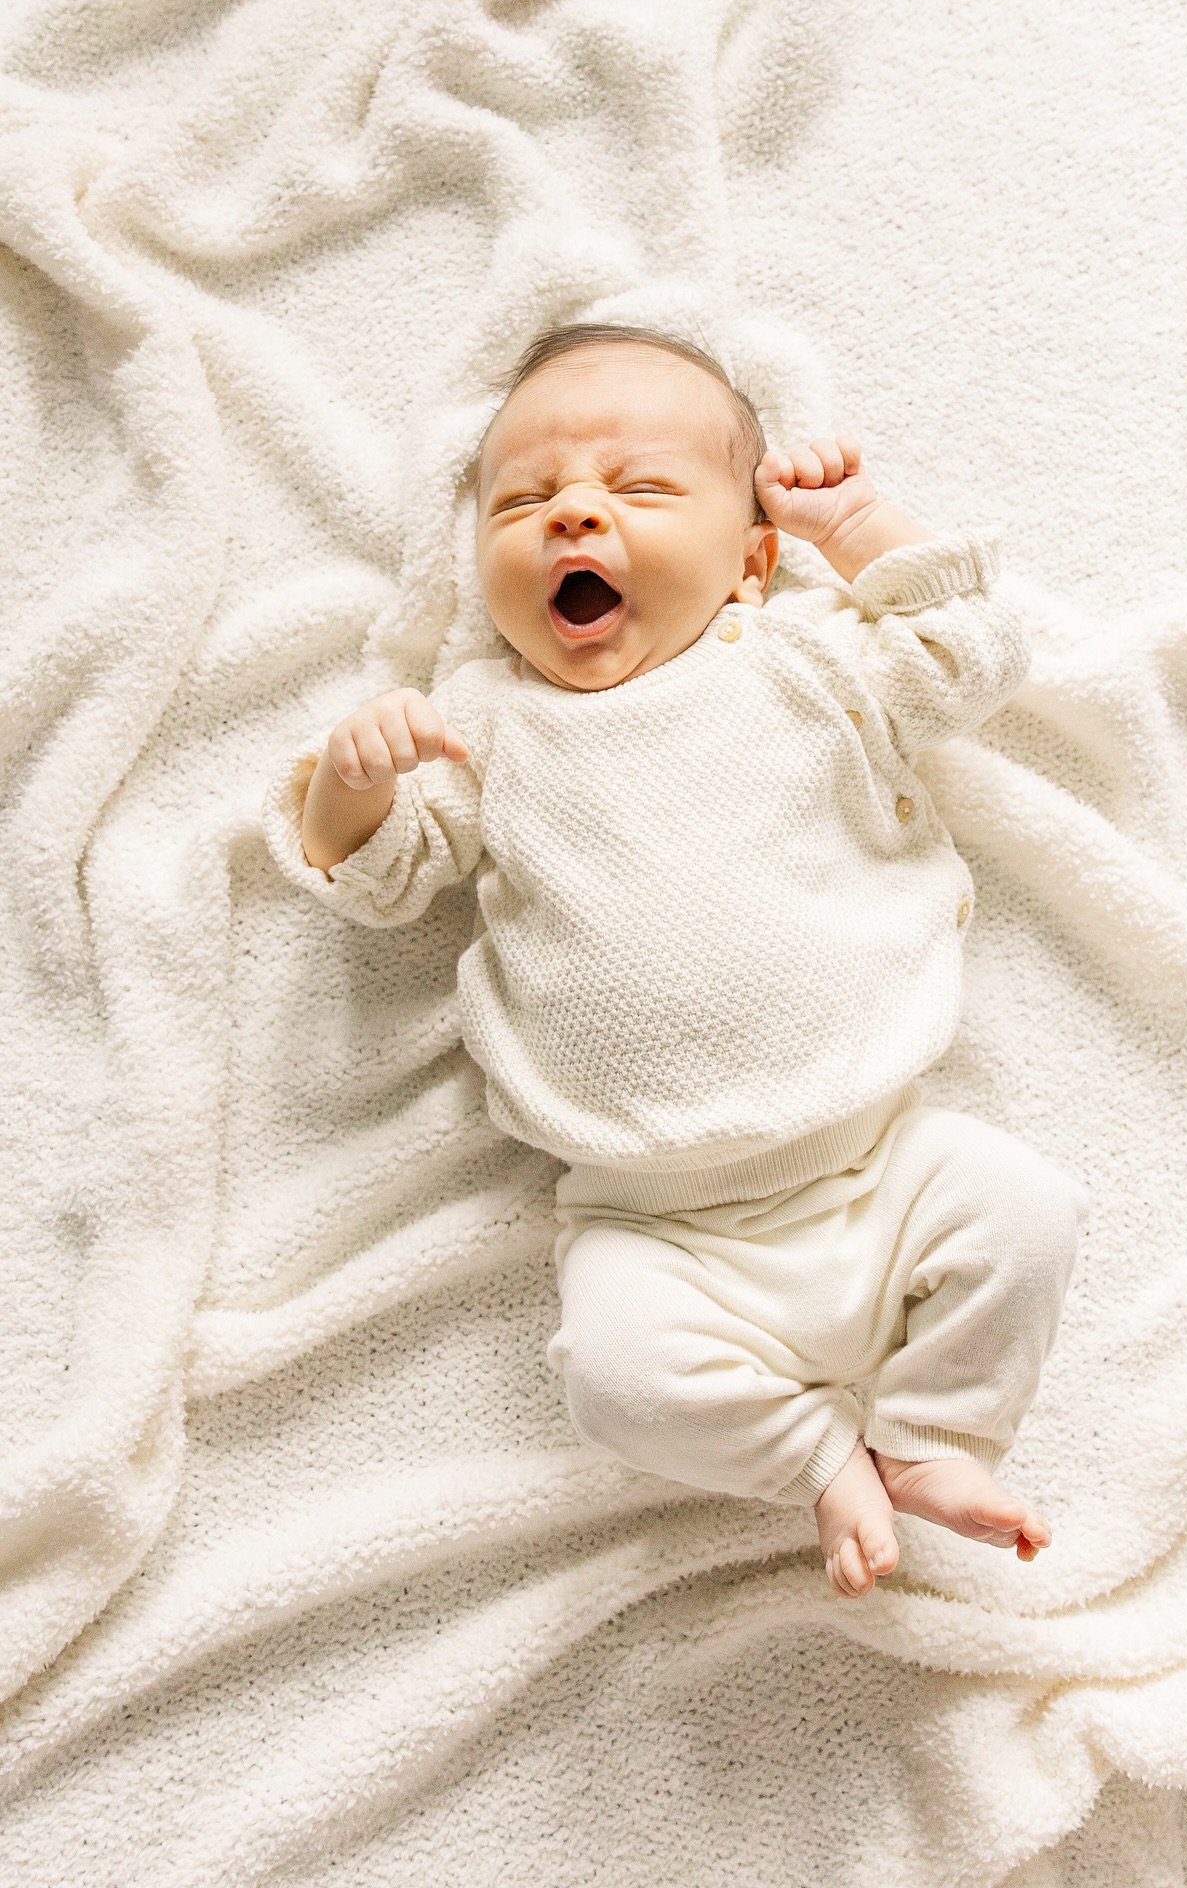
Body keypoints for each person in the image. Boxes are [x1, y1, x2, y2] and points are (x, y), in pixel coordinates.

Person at [261, 321, 1092, 1601]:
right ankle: (817, 1459)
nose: (574, 516)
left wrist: (862, 529)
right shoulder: (486, 722)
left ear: (752, 559)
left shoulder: (806, 664)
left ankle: (931, 1437)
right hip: (650, 1220)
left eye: (639, 490)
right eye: (524, 502)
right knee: (612, 1380)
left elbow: (970, 655)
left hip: (881, 1158)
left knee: (1026, 1212)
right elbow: (385, 881)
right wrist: (351, 792)